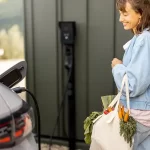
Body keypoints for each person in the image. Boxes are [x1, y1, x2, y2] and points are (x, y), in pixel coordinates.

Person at [112, 0, 150, 149]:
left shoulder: (144, 40)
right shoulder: (141, 38)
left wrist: (118, 67)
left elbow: (133, 85)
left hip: (139, 116)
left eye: (125, 13)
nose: (121, 19)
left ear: (140, 13)